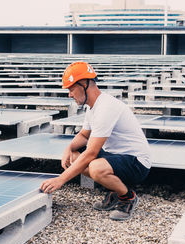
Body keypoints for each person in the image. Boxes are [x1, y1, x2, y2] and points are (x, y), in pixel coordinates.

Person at [40, 61, 151, 221]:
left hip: (137, 162)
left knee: (96, 168)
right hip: (116, 155)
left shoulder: (106, 107)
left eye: (71, 89)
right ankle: (115, 191)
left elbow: (91, 152)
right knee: (74, 157)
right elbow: (84, 136)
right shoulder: (93, 107)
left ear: (84, 84)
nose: (70, 94)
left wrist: (61, 179)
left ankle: (128, 197)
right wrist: (68, 148)